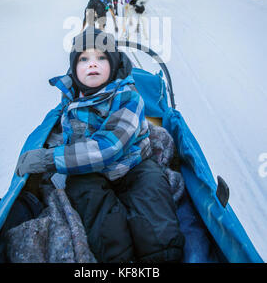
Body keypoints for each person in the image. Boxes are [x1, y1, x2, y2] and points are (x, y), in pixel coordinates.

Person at [16, 27, 185, 263]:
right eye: (83, 59)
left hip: (133, 164)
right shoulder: (71, 100)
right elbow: (63, 133)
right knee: (86, 199)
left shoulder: (128, 97)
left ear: (114, 64)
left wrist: (48, 159)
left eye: (101, 58)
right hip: (89, 172)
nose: (92, 64)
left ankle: (161, 256)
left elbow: (109, 147)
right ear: (74, 69)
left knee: (152, 192)